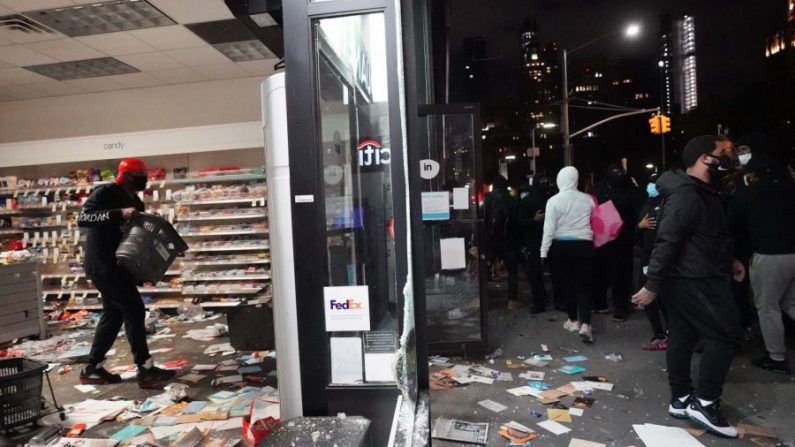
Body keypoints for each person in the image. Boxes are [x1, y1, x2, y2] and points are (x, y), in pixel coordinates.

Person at [632, 135, 746, 439]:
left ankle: (681, 399)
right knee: (725, 333)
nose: (729, 159)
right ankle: (705, 402)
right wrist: (652, 285)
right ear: (704, 158)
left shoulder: (702, 191)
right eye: (724, 153)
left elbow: (705, 234)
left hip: (696, 274)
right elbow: (668, 240)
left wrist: (730, 258)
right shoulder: (687, 195)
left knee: (682, 335)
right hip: (694, 279)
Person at [78, 158, 176, 389]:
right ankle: (146, 369)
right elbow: (84, 218)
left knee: (113, 314)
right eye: (137, 175)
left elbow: (138, 237)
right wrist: (118, 213)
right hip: (103, 264)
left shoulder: (135, 201)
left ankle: (92, 368)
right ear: (125, 176)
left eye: (144, 174)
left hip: (120, 265)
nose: (142, 179)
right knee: (134, 308)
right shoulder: (105, 193)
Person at [728, 153, 795, 375]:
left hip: (769, 255)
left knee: (768, 308)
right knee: (791, 303)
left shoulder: (748, 194)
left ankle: (776, 357)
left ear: (753, 174)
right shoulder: (790, 189)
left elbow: (732, 225)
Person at [541, 166, 596, 343]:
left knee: (568, 286)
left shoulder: (554, 201)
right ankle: (586, 324)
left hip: (562, 247)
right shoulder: (588, 200)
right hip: (585, 245)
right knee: (584, 286)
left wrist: (543, 252)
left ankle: (573, 320)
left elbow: (548, 229)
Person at [592, 162, 644, 322]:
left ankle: (621, 307)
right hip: (601, 239)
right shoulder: (598, 189)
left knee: (621, 274)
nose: (618, 177)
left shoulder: (633, 191)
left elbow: (639, 213)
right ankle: (600, 303)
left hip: (623, 239)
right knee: (600, 272)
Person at [636, 172, 667, 351]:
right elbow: (638, 228)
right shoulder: (648, 202)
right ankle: (659, 334)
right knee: (646, 296)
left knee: (664, 297)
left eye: (654, 183)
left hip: (661, 255)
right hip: (647, 255)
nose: (651, 186)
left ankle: (669, 335)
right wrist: (640, 226)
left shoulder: (667, 203)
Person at [484, 175, 520, 308]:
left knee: (485, 269)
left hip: (490, 240)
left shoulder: (487, 198)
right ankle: (512, 299)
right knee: (512, 270)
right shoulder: (512, 200)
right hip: (508, 240)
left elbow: (483, 219)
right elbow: (516, 221)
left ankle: (482, 298)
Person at [518, 175, 552, 313]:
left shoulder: (527, 201)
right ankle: (559, 301)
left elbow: (519, 223)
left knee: (536, 273)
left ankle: (539, 302)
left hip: (534, 241)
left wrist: (533, 220)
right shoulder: (552, 200)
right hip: (550, 240)